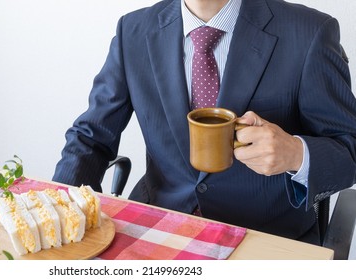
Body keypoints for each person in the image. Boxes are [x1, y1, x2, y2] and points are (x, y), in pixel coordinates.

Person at [53, 0, 356, 245]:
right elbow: (91, 136)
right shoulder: (133, 30)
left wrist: (294, 153)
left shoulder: (309, 32)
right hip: (159, 226)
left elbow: (350, 149)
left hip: (265, 236)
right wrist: (63, 208)